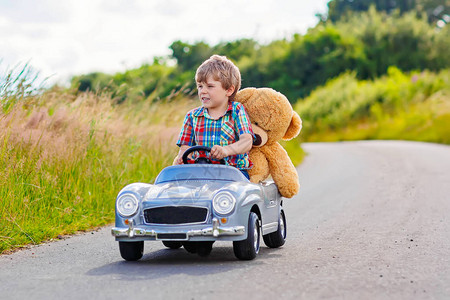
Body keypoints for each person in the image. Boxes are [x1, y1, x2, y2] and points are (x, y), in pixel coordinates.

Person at [174, 55, 254, 179]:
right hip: (200, 174)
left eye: (210, 86)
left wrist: (226, 150)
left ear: (228, 90)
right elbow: (185, 149)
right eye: (200, 86)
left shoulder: (236, 111)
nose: (203, 91)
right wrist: (182, 159)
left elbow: (247, 141)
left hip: (233, 174)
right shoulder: (192, 116)